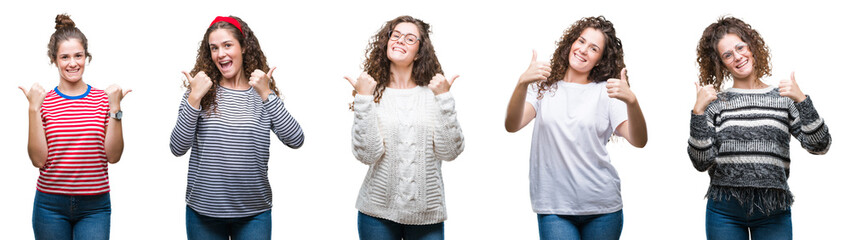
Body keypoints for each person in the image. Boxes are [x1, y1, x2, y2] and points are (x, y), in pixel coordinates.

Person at [504, 16, 647, 240]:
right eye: (581, 41)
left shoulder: (607, 92)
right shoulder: (544, 86)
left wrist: (632, 102)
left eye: (593, 48)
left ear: (600, 59)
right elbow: (512, 125)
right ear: (571, 42)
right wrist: (522, 84)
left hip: (603, 208)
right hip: (554, 207)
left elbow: (639, 140)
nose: (583, 50)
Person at [689, 16, 831, 240]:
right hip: (725, 210)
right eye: (727, 55)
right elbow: (701, 162)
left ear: (751, 46)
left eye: (740, 47)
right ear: (720, 63)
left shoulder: (783, 98)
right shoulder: (714, 103)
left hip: (773, 211)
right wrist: (697, 113)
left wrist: (802, 100)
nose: (737, 57)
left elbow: (820, 145)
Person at [169, 15, 304, 240]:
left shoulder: (261, 94)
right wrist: (194, 98)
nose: (220, 54)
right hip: (204, 212)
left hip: (254, 213)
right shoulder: (200, 91)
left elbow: (296, 139)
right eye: (214, 48)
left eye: (227, 45)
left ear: (243, 47)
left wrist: (266, 93)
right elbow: (177, 147)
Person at [344, 15, 465, 240]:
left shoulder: (434, 93)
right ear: (386, 42)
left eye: (410, 39)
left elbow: (450, 152)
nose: (400, 41)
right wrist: (363, 99)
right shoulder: (371, 92)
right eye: (396, 35)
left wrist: (445, 98)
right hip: (376, 213)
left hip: (427, 215)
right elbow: (367, 155)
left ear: (419, 52)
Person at [20, 14, 130, 240]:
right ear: (54, 59)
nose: (72, 63)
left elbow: (114, 156)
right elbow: (38, 161)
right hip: (50, 206)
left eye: (78, 55)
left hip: (95, 207)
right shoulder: (43, 102)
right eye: (65, 57)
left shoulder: (103, 99)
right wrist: (33, 109)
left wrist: (115, 108)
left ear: (86, 56)